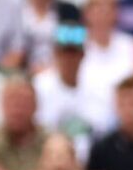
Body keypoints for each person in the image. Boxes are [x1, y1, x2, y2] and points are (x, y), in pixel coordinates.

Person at [33, 23, 111, 151]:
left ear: (83, 54)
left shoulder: (99, 87)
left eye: (74, 53)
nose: (69, 59)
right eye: (64, 53)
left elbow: (102, 130)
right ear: (56, 54)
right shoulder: (40, 86)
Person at [77, 0, 133, 107]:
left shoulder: (131, 45)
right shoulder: (75, 43)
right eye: (97, 9)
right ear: (86, 13)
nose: (103, 15)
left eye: (108, 9)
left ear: (116, 13)